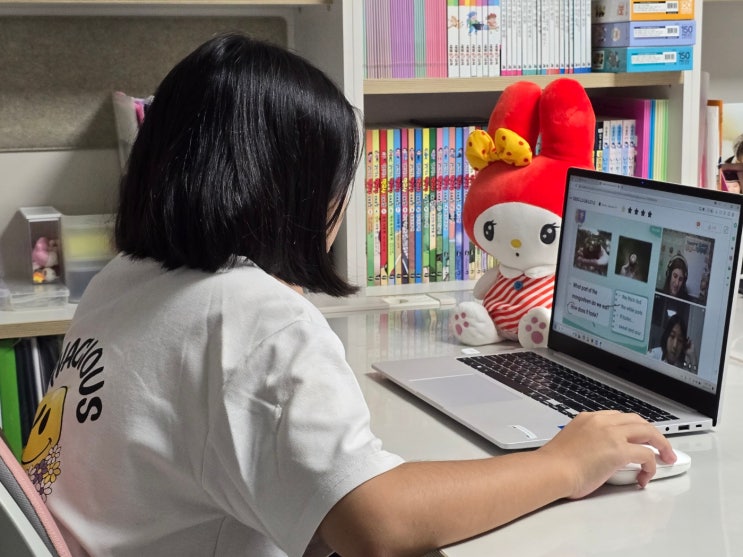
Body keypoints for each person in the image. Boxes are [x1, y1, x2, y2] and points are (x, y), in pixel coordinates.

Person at [20, 34, 675, 557]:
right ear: (297, 193)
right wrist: (562, 463)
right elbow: (376, 525)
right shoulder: (254, 320)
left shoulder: (123, 278)